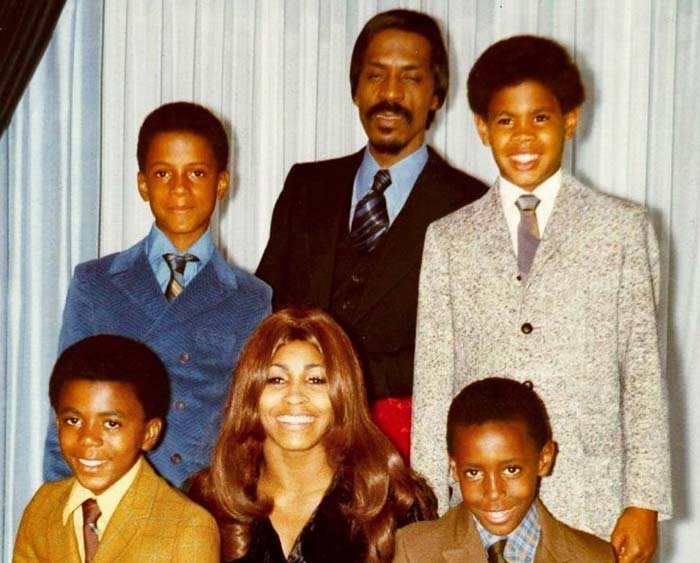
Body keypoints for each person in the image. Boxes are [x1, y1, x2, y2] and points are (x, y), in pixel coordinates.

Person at [411, 35, 670, 562]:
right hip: (482, 502)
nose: (523, 136)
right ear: (482, 128)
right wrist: (432, 501)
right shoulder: (449, 238)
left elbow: (643, 371)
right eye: (506, 121)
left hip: (592, 499)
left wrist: (643, 501)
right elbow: (433, 378)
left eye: (541, 119)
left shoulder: (621, 229)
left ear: (570, 120)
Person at [255, 9, 488, 460]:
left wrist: (343, 381)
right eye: (376, 76)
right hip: (297, 442)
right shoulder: (305, 186)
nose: (390, 95)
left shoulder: (472, 205)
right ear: (355, 89)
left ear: (436, 95)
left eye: (411, 79)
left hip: (404, 451)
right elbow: (268, 308)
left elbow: (467, 347)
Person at [43, 102, 271, 488]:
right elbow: (65, 410)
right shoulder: (96, 283)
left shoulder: (251, 298)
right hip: (114, 499)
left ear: (221, 182)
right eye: (163, 173)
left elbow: (251, 427)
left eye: (196, 173)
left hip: (206, 505)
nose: (180, 188)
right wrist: (59, 506)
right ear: (142, 184)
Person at [189, 308, 437, 563]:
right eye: (276, 379)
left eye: (316, 380)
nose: (295, 396)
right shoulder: (206, 502)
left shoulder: (396, 503)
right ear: (251, 394)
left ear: (343, 393)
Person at [14, 335, 219, 562]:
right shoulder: (43, 506)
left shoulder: (187, 526)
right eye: (73, 420)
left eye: (111, 424)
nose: (88, 439)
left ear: (149, 434)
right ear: (57, 423)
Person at [395, 377, 615, 563]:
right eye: (474, 473)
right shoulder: (413, 551)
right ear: (454, 468)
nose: (493, 492)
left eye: (511, 470)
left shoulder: (595, 557)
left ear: (544, 459)